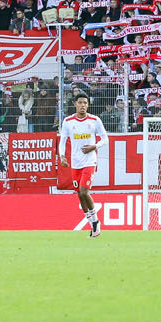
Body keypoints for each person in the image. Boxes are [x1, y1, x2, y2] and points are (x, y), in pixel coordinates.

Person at [58, 94, 108, 238]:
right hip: (75, 163)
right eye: (80, 103)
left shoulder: (94, 120)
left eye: (85, 103)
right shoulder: (68, 121)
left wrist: (94, 146)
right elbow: (62, 141)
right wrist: (62, 156)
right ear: (75, 104)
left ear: (88, 105)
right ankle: (93, 224)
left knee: (84, 191)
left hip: (90, 161)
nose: (83, 105)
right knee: (80, 194)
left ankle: (96, 222)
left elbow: (105, 139)